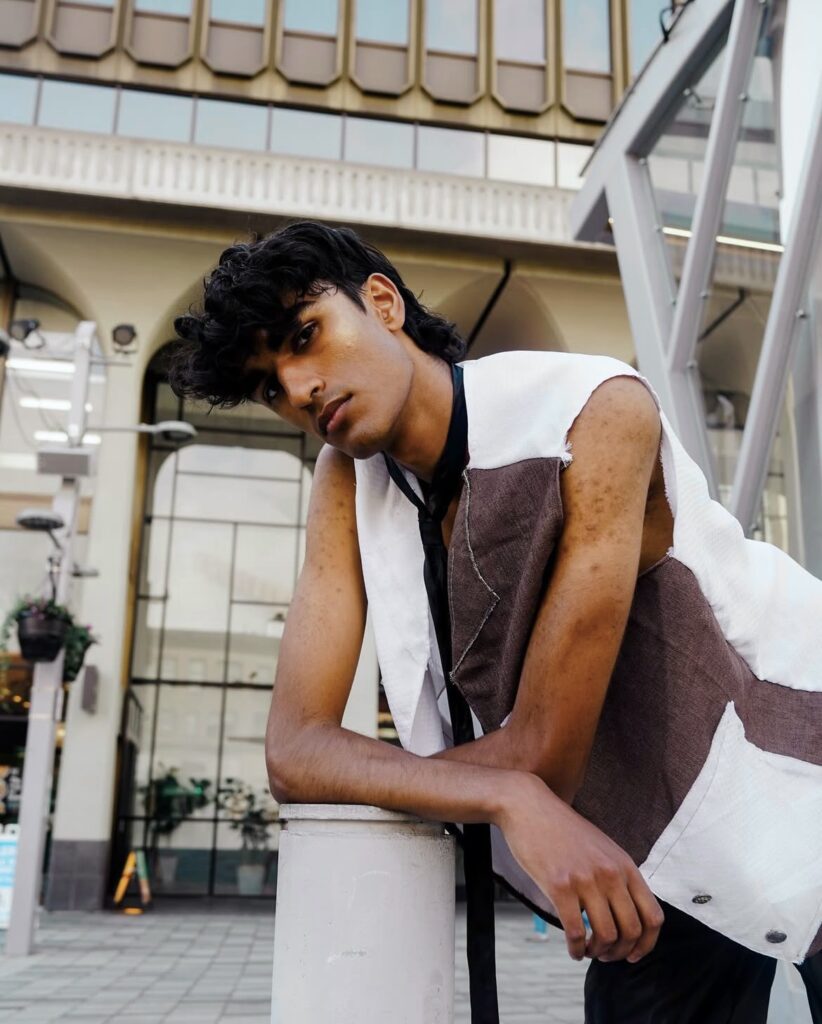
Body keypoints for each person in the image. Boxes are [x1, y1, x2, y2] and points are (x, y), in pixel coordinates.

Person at [170, 220, 822, 1023]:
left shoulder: (593, 409)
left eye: (306, 336)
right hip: (651, 851)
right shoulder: (350, 484)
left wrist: (512, 791)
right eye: (271, 386)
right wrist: (508, 793)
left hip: (792, 769)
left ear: (381, 302)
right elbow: (295, 749)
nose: (300, 389)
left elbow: (542, 755)